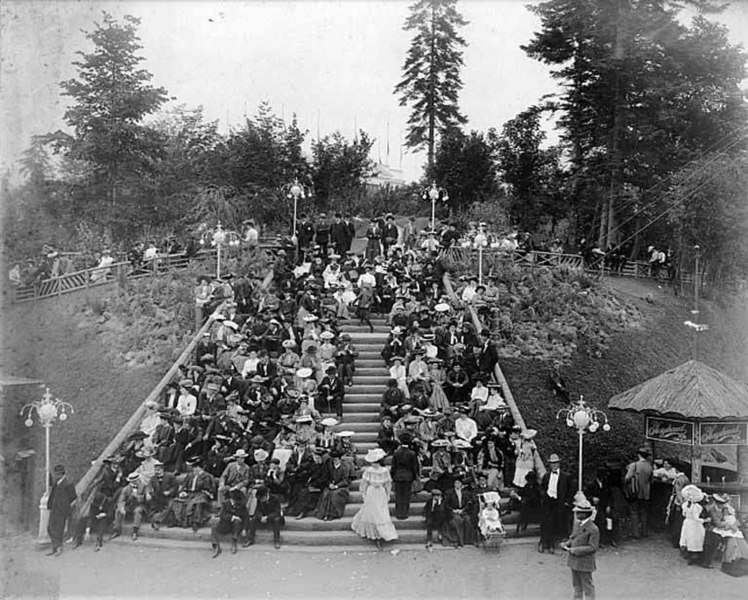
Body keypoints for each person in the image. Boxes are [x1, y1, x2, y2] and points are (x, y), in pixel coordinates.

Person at [351, 448, 398, 550]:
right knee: (371, 511)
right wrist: (364, 493)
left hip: (380, 492)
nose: (373, 464)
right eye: (373, 462)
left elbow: (387, 484)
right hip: (371, 492)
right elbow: (364, 484)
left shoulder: (385, 471)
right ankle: (374, 534)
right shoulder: (369, 471)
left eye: (375, 462)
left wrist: (387, 494)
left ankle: (382, 534)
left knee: (381, 513)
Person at [560, 498, 600, 600]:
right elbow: (573, 537)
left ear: (585, 514)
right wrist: (567, 544)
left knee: (588, 587)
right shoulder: (577, 524)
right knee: (576, 586)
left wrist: (575, 550)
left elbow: (593, 547)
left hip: (585, 562)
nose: (576, 514)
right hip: (574, 561)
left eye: (579, 512)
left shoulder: (593, 529)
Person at [539, 453, 573, 553]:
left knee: (555, 523)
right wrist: (544, 496)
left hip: (559, 503)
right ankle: (544, 543)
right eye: (551, 463)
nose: (553, 465)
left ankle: (551, 544)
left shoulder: (565, 476)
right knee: (546, 522)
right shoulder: (546, 476)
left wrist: (567, 502)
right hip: (548, 502)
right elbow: (542, 488)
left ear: (559, 464)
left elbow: (571, 490)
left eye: (555, 463)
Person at [47, 464, 77, 556]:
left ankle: (58, 548)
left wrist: (67, 508)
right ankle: (55, 546)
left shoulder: (68, 484)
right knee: (50, 528)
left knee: (59, 529)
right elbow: (51, 488)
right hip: (54, 509)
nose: (56, 476)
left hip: (62, 510)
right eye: (55, 474)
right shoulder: (56, 483)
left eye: (57, 474)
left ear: (62, 474)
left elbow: (73, 497)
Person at [624, 446, 653, 538]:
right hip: (646, 493)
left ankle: (635, 533)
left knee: (634, 512)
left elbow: (627, 478)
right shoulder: (649, 466)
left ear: (639, 455)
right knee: (644, 512)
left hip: (635, 492)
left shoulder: (634, 465)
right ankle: (645, 532)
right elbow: (651, 481)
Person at [211, 488, 248, 557]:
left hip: (236, 526)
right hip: (225, 524)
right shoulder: (225, 503)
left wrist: (244, 529)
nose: (237, 502)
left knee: (238, 521)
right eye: (235, 500)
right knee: (213, 527)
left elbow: (246, 517)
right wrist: (233, 517)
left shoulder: (241, 504)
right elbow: (222, 515)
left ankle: (234, 542)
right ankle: (216, 546)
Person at [391, 432, 419, 520]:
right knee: (406, 496)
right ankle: (405, 514)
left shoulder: (396, 452)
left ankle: (398, 513)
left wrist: (392, 475)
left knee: (398, 496)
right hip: (408, 477)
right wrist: (415, 477)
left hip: (398, 476)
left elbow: (393, 466)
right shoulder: (412, 453)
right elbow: (414, 467)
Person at [112, 472, 148, 541]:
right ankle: (117, 530)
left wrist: (138, 497)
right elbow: (121, 500)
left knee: (137, 511)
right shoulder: (126, 489)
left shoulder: (144, 486)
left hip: (141, 505)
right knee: (118, 510)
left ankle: (135, 531)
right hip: (130, 506)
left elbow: (147, 498)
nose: (135, 482)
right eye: (133, 482)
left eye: (136, 481)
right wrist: (122, 507)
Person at [678, 485, 706, 565]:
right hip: (694, 524)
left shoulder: (685, 505)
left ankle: (688, 554)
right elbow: (696, 518)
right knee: (695, 539)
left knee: (688, 538)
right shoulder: (697, 507)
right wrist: (704, 520)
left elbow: (684, 514)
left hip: (687, 523)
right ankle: (695, 557)